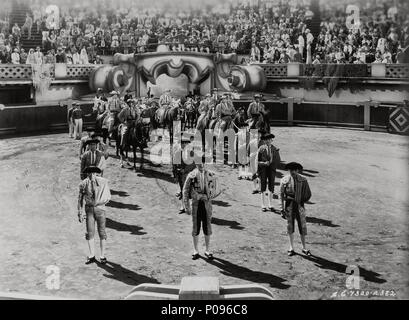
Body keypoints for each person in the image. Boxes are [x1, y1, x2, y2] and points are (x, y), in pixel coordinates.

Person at [77, 166, 111, 265]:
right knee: (90, 232)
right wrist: (79, 212)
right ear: (87, 174)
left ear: (96, 173)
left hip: (100, 209)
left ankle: (102, 256)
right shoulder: (83, 184)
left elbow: (108, 196)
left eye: (93, 173)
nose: (91, 175)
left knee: (102, 232)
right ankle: (92, 255)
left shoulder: (103, 182)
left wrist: (101, 202)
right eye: (89, 173)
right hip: (89, 210)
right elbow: (79, 199)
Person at [183, 163, 215, 260]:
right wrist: (186, 206)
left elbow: (215, 189)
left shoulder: (210, 175)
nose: (201, 165)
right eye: (199, 163)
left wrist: (208, 196)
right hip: (196, 204)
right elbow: (185, 190)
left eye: (202, 163)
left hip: (206, 204)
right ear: (196, 164)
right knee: (196, 226)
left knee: (207, 226)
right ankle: (195, 250)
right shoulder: (191, 175)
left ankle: (207, 249)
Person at [280, 162, 312, 257]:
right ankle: (291, 247)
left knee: (302, 226)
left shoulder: (303, 180)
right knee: (290, 226)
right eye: (290, 170)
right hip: (289, 205)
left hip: (299, 205)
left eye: (294, 170)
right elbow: (281, 195)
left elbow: (308, 193)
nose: (292, 172)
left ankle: (304, 247)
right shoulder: (284, 180)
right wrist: (281, 208)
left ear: (297, 170)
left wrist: (302, 200)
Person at [256, 133, 281, 212]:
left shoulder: (275, 149)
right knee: (263, 186)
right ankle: (263, 205)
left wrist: (273, 164)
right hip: (263, 169)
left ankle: (270, 204)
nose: (268, 141)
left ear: (271, 140)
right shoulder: (261, 148)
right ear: (264, 140)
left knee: (271, 186)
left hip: (271, 170)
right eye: (266, 140)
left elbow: (278, 161)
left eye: (269, 140)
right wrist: (263, 163)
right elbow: (257, 161)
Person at [173, 136, 196, 213]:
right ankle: (183, 206)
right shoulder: (177, 152)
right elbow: (174, 165)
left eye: (185, 143)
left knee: (190, 191)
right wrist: (175, 175)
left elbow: (194, 164)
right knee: (182, 190)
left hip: (188, 174)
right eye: (182, 143)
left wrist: (186, 170)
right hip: (180, 175)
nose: (184, 145)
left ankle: (191, 206)